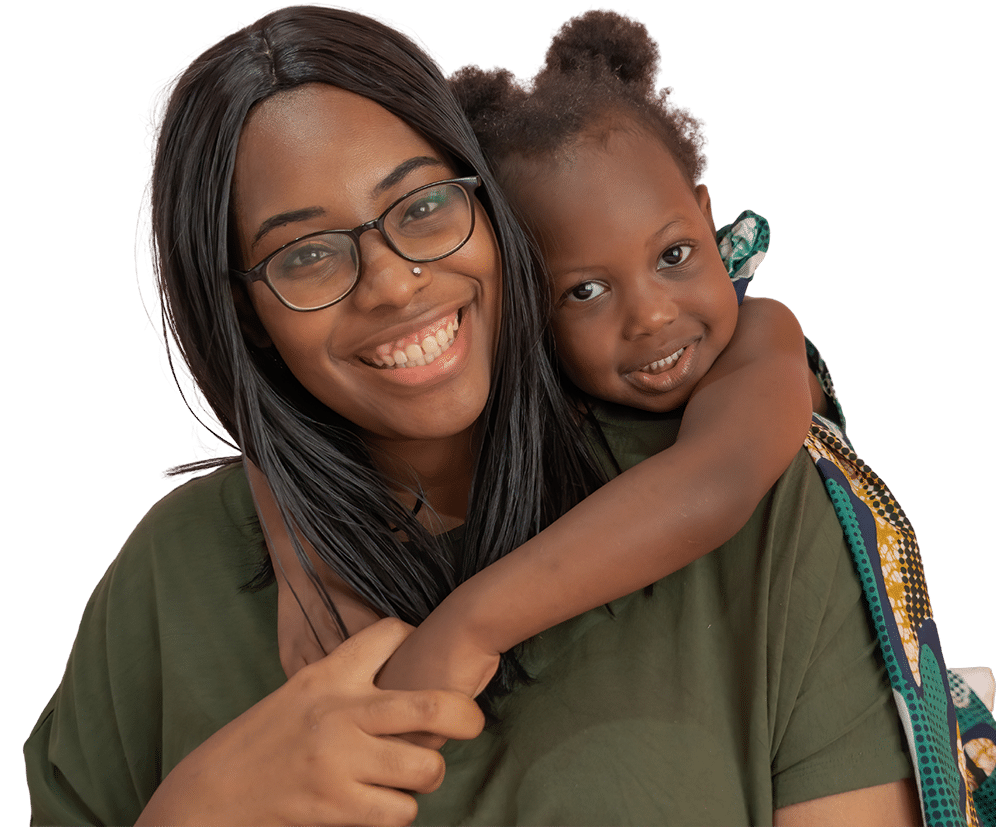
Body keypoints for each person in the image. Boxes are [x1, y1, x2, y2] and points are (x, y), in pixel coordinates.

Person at [26, 4, 932, 826]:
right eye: (304, 256)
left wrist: (464, 626)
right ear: (247, 318)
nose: (391, 282)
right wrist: (195, 810)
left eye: (422, 207)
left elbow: (726, 465)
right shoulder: (168, 581)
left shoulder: (772, 515)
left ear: (492, 216)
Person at [262, 9, 996, 827]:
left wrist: (470, 624)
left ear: (706, 217)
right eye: (585, 291)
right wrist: (297, 557)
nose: (653, 317)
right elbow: (279, 435)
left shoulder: (759, 335)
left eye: (674, 256)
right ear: (518, 305)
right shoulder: (519, 399)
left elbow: (716, 483)